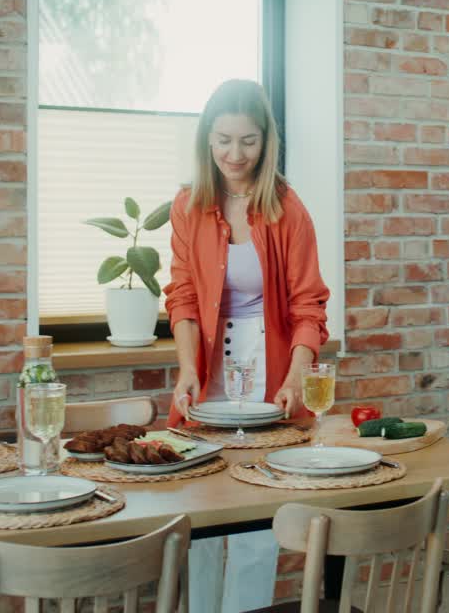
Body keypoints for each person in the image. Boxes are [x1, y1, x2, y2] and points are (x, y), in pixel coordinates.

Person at [164, 79, 330, 613]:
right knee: (200, 519)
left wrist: (295, 379)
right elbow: (183, 296)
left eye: (249, 141)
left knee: (258, 524)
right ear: (206, 140)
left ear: (267, 141)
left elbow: (309, 307)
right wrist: (188, 368)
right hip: (209, 369)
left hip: (269, 369)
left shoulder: (288, 209)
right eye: (223, 140)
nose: (235, 155)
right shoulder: (189, 205)